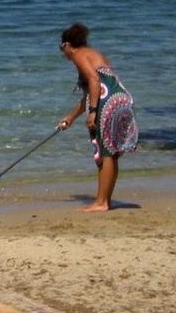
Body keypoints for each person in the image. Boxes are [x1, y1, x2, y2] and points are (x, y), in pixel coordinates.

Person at [57, 23, 138, 212]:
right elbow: (90, 93)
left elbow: (94, 82)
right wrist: (70, 118)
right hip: (119, 100)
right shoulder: (92, 54)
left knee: (107, 153)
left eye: (61, 47)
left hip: (107, 103)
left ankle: (101, 202)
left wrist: (92, 111)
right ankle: (104, 200)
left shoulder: (79, 55)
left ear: (68, 45)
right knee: (111, 153)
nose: (63, 52)